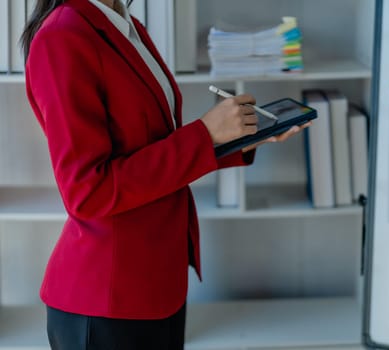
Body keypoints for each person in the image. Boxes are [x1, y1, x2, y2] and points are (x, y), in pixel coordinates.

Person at [20, 0, 310, 349]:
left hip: (158, 285)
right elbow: (87, 191)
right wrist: (204, 135)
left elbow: (153, 148)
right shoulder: (62, 37)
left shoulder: (127, 27)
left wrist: (237, 136)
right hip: (106, 304)